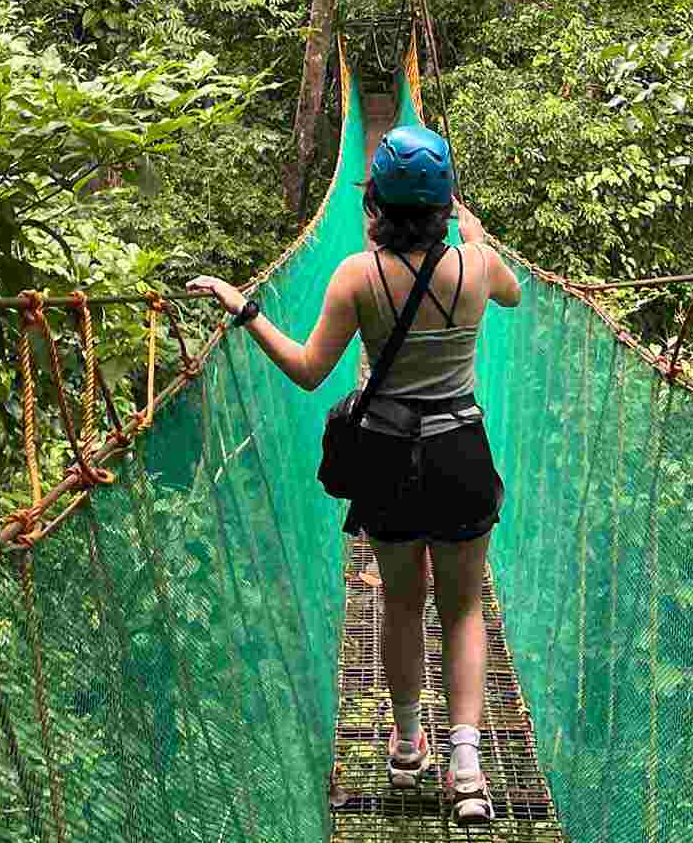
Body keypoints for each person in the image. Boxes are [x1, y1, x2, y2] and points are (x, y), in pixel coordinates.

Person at [187, 123, 521, 824]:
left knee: (402, 602)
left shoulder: (356, 276)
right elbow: (513, 295)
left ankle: (406, 745)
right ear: (443, 202)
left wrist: (246, 311)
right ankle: (467, 765)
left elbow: (310, 372)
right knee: (462, 608)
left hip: (390, 456)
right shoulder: (478, 266)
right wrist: (473, 229)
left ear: (373, 205)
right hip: (460, 448)